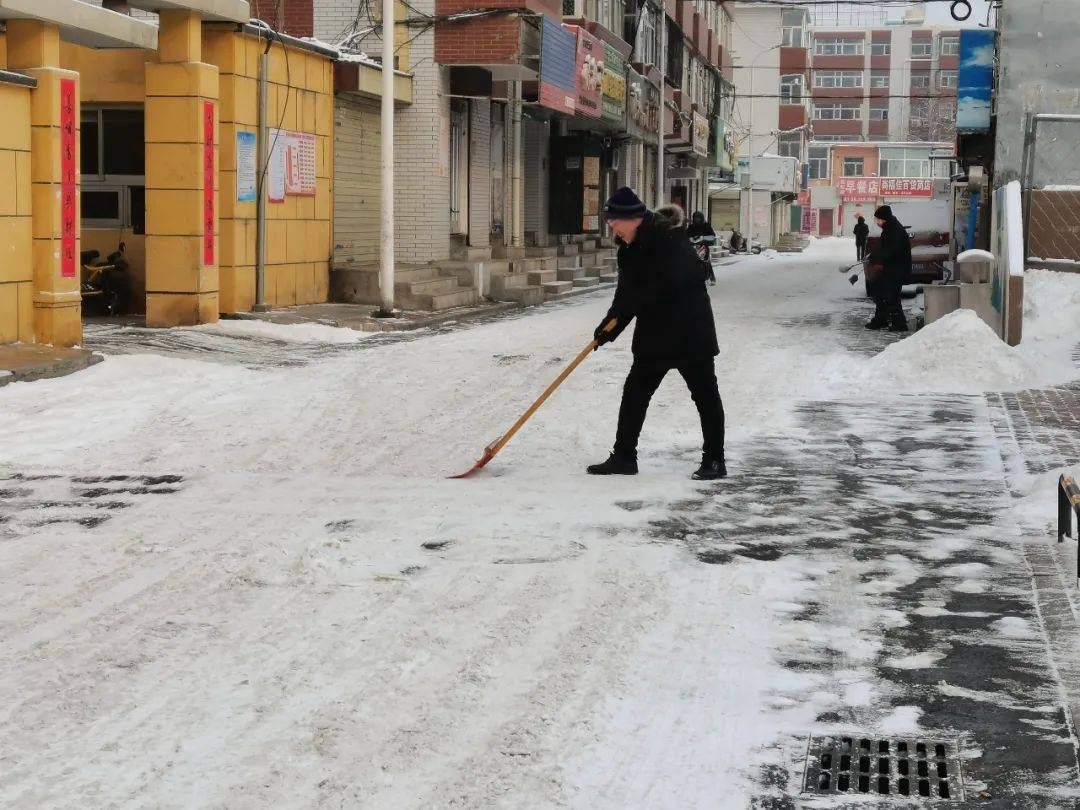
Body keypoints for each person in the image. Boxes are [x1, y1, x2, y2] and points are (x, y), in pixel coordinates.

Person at [587, 187, 726, 481]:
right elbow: (625, 299)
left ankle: (714, 461)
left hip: (690, 332)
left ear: (633, 218)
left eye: (614, 221)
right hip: (655, 336)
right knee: (635, 393)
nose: (611, 226)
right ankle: (624, 456)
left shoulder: (671, 240)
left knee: (705, 397)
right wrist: (606, 330)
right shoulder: (629, 249)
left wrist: (644, 294)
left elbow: (683, 279)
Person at [865, 204, 911, 332]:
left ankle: (899, 324)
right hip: (890, 269)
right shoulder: (889, 228)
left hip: (896, 269)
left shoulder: (894, 230)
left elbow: (890, 250)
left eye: (879, 219)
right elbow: (883, 247)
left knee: (892, 296)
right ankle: (881, 320)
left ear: (885, 218)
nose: (878, 222)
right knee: (881, 294)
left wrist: (876, 257)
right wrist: (873, 255)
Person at [686, 211, 717, 285]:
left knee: (706, 263)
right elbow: (686, 236)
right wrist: (692, 239)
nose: (697, 220)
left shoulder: (706, 226)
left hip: (703, 247)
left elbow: (712, 237)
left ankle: (711, 278)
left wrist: (703, 238)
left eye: (698, 218)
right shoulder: (691, 227)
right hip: (693, 248)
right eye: (695, 218)